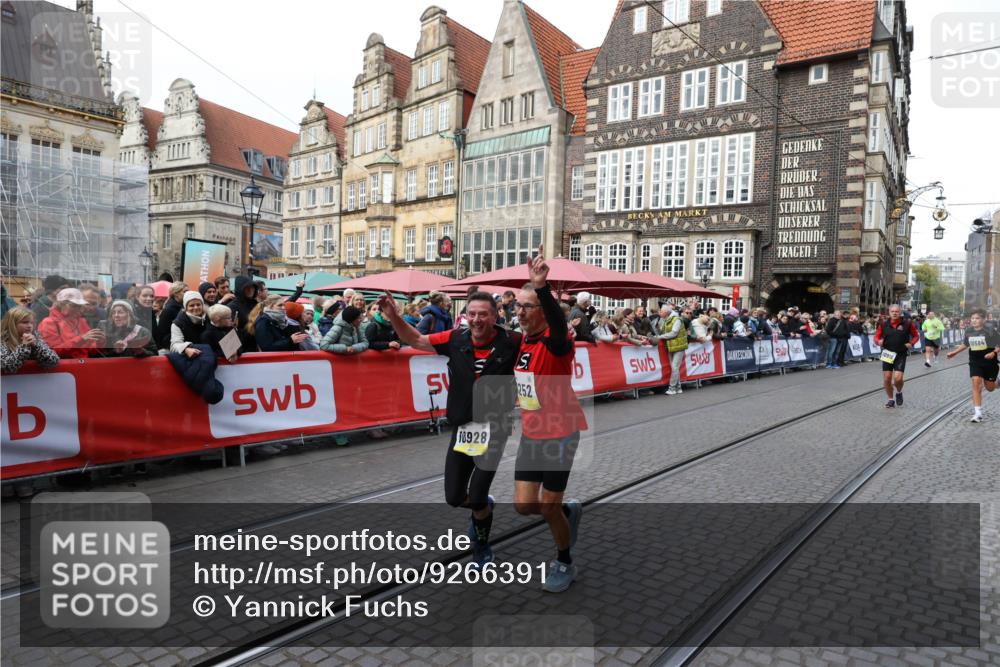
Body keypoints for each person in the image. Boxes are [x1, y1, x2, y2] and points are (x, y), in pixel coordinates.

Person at [378, 287, 520, 569]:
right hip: (464, 426)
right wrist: (394, 316)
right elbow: (415, 339)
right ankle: (483, 507)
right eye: (472, 314)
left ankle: (481, 546)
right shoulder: (455, 338)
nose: (477, 320)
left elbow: (544, 350)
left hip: (495, 429)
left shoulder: (513, 341)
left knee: (476, 495)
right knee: (454, 497)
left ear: (495, 316)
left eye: (483, 314)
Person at [511, 246, 586, 593]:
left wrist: (542, 287)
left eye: (527, 306)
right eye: (517, 306)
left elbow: (558, 323)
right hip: (532, 432)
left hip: (560, 432)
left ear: (542, 310)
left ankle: (564, 561)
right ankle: (567, 514)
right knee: (524, 505)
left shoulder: (558, 341)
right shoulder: (522, 342)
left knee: (547, 506)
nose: (520, 311)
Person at [946, 309, 1000, 423]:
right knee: (976, 383)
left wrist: (994, 352)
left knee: (990, 388)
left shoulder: (990, 330)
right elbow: (966, 344)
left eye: (977, 318)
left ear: (983, 320)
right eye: (972, 318)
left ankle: (997, 383)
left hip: (990, 362)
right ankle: (978, 413)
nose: (974, 320)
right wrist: (954, 353)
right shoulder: (969, 331)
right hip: (975, 361)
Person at [873, 304, 920, 408]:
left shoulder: (907, 323)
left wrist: (911, 343)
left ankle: (899, 392)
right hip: (888, 353)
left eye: (897, 311)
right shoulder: (883, 324)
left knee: (898, 378)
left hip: (901, 353)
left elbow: (916, 336)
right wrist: (878, 341)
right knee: (887, 378)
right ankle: (890, 399)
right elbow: (876, 337)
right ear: (889, 313)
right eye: (892, 311)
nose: (894, 313)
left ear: (900, 312)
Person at [38, 288, 104, 358]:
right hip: (64, 364)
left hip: (83, 363)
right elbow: (53, 353)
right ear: (61, 305)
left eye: (80, 306)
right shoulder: (48, 323)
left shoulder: (81, 321)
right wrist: (81, 339)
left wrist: (99, 342)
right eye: (74, 306)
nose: (78, 309)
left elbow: (91, 350)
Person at [1, 307, 60, 374]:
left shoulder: (36, 338)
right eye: (25, 322)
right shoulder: (3, 340)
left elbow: (53, 361)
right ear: (12, 324)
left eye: (31, 323)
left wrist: (36, 346)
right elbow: (6, 367)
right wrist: (24, 348)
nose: (29, 326)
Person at [655, 304, 687, 395]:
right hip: (671, 345)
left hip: (679, 346)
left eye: (661, 311)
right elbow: (662, 331)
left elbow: (674, 333)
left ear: (666, 312)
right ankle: (678, 387)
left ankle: (672, 388)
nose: (660, 312)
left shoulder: (677, 319)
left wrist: (660, 337)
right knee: (674, 368)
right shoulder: (665, 319)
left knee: (675, 367)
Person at [171, 291, 208, 359]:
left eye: (198, 304)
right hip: (191, 359)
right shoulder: (178, 323)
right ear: (186, 307)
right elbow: (174, 345)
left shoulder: (210, 317)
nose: (196, 307)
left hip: (210, 356)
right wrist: (185, 349)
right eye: (191, 305)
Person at [228, 276, 260, 348]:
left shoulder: (257, 305)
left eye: (252, 287)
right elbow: (229, 332)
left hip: (257, 347)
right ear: (240, 289)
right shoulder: (232, 307)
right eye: (247, 287)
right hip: (242, 349)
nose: (250, 290)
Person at [155, 282, 187, 351]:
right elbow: (162, 333)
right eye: (185, 291)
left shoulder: (183, 306)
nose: (187, 293)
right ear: (176, 293)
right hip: (171, 346)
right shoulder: (169, 309)